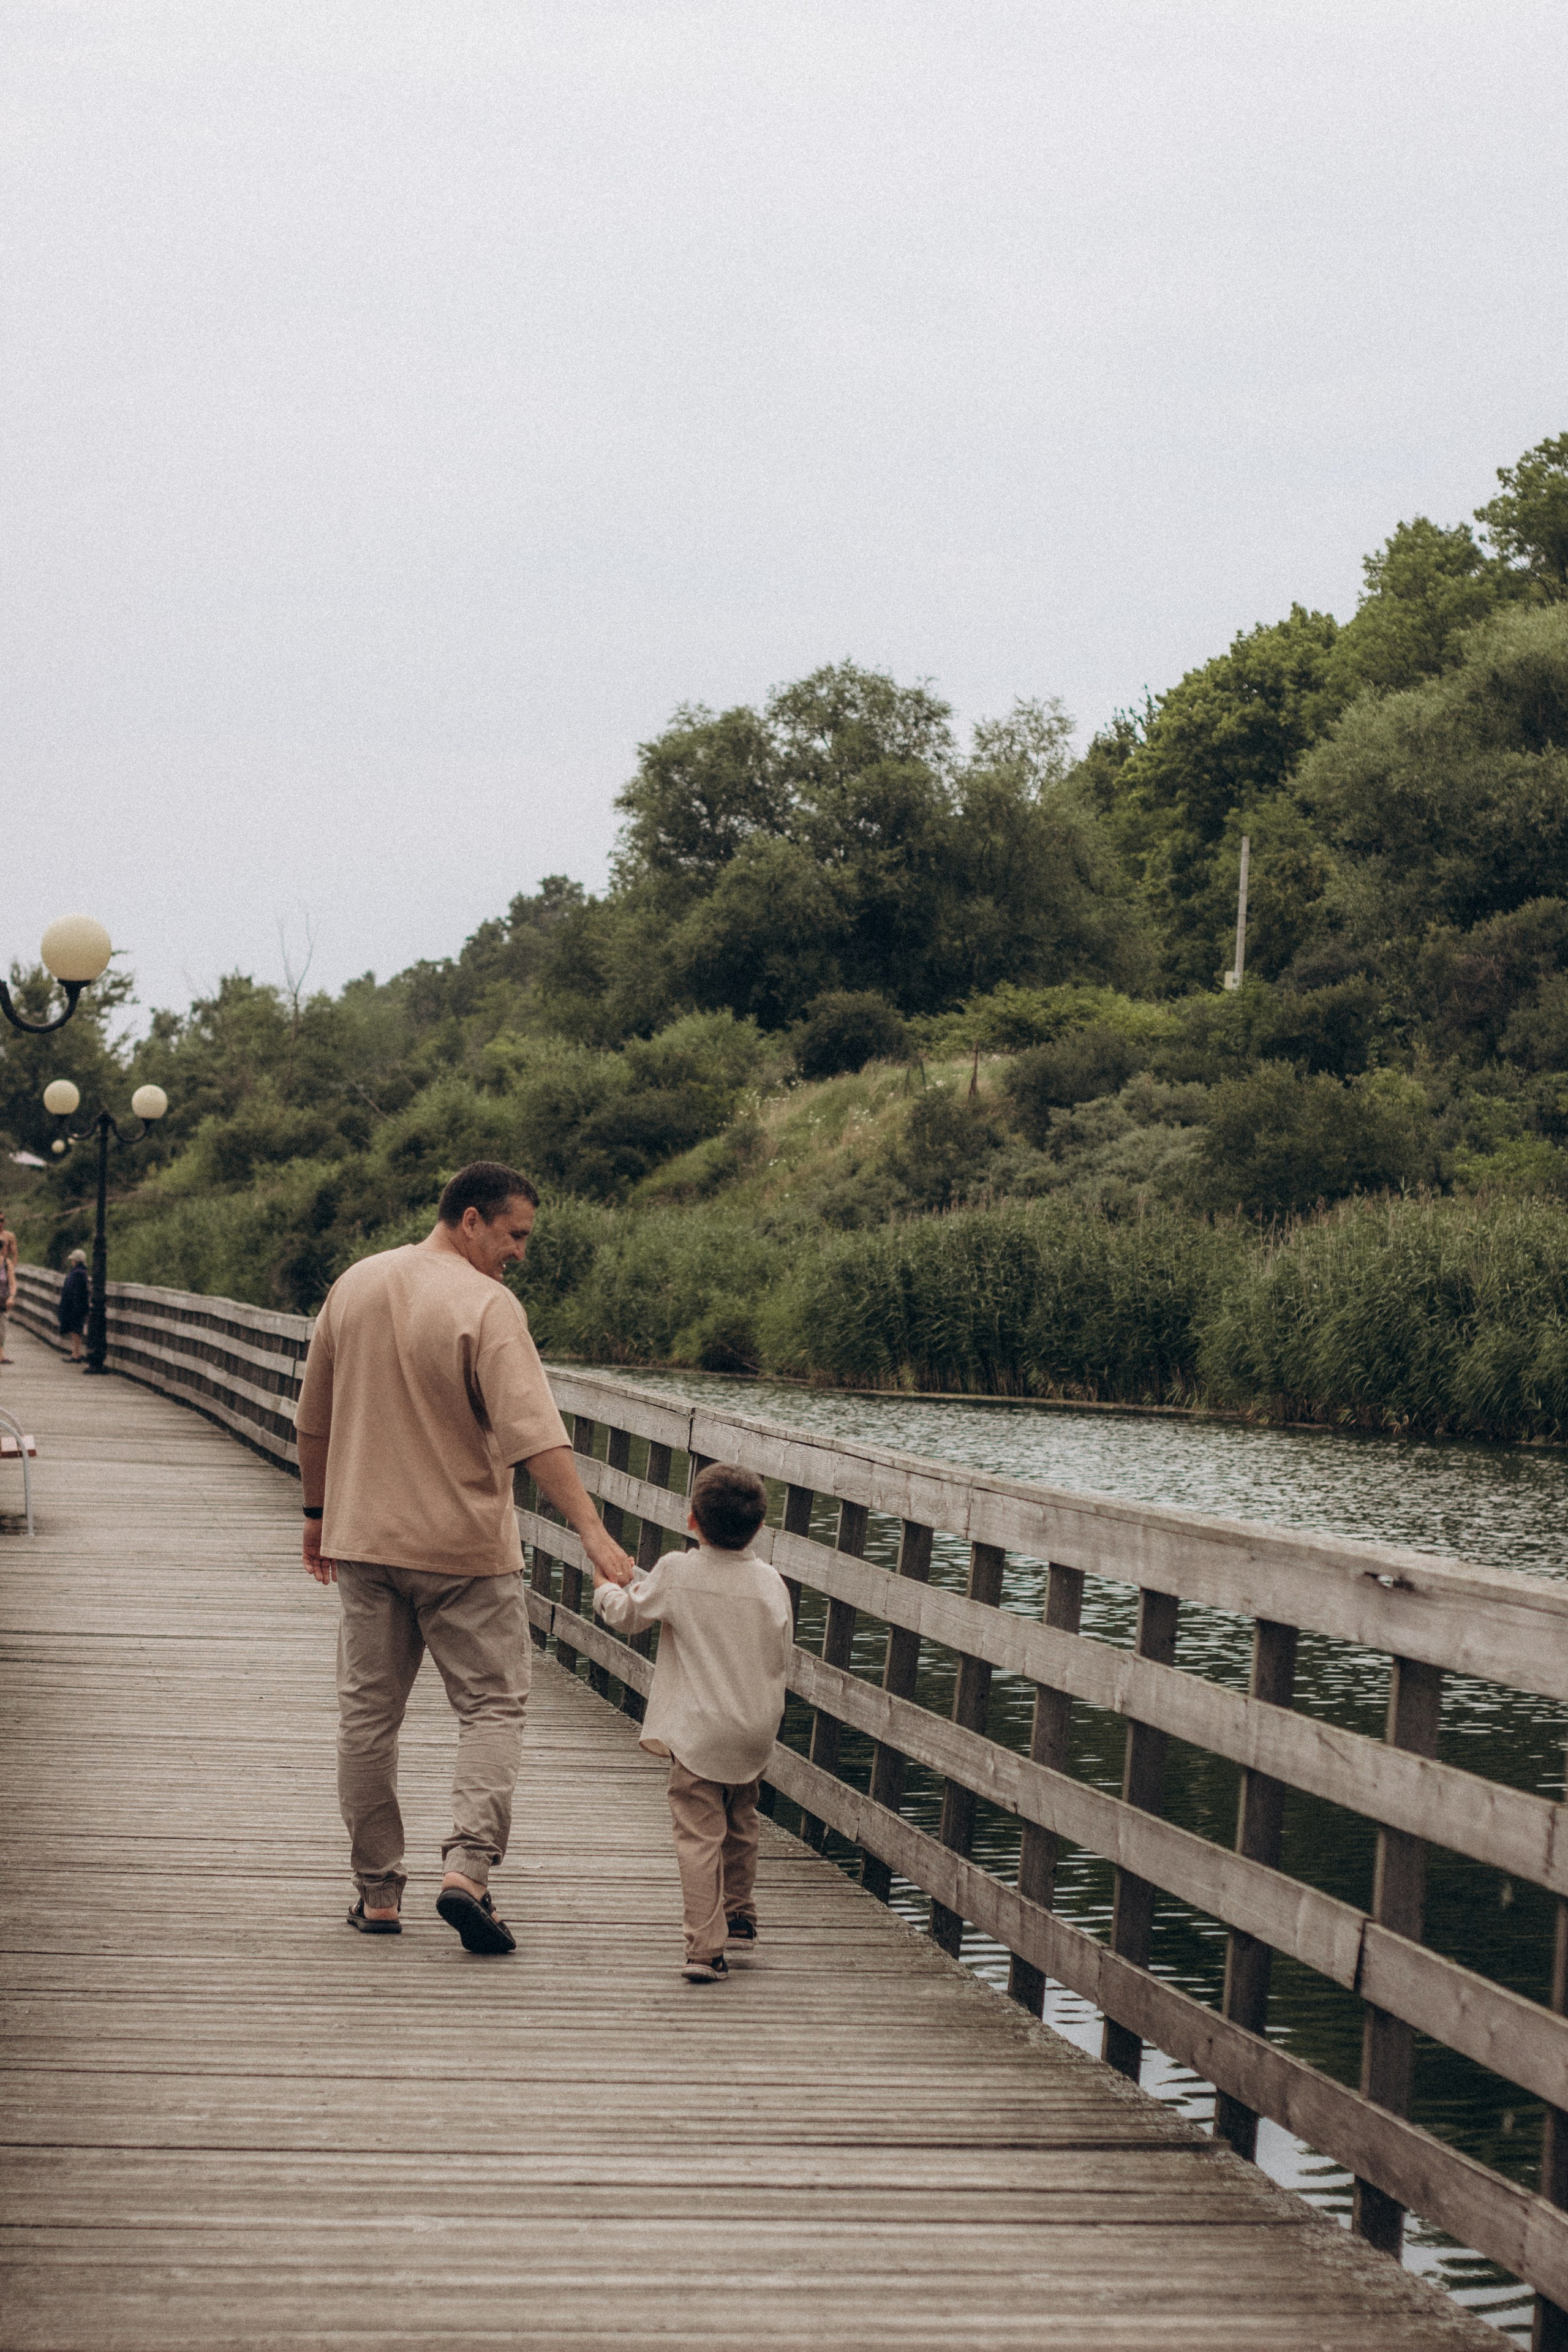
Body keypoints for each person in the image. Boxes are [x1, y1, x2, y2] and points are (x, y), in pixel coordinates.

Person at [294, 1159, 635, 1954]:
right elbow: (535, 1434)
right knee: (492, 1707)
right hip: (466, 1553)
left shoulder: (356, 1285)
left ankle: (378, 1896)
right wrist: (589, 1528)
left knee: (367, 1720)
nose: (520, 1252)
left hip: (365, 1543)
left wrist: (315, 1514)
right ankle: (468, 1870)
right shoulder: (486, 1304)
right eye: (515, 1235)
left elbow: (314, 1419)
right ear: (472, 1219)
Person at [593, 1461, 793, 1982]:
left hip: (701, 1731)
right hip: (754, 1728)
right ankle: (739, 1913)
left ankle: (706, 1950)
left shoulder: (678, 1571)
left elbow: (631, 1615)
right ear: (760, 1528)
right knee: (742, 1820)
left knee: (699, 1834)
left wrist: (605, 1588)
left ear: (691, 1521)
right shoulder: (771, 1582)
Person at [58, 1249, 90, 1362]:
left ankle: (76, 1354)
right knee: (75, 1330)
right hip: (76, 1305)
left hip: (74, 1306)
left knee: (75, 1330)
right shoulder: (80, 1272)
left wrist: (74, 1306)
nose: (72, 1261)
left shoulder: (78, 1273)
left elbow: (76, 1291)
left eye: (73, 1260)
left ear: (76, 1260)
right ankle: (75, 1353)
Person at [0, 1209, 17, 1365]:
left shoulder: (9, 1236)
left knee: (2, 1329)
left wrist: (11, 1268)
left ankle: (1, 1354)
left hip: (2, 1295)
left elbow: (15, 1253)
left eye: (2, 1220)